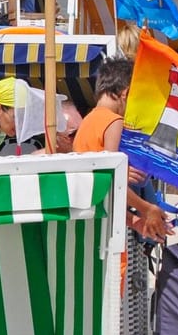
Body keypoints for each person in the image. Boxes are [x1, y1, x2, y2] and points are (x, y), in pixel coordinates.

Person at [73, 55, 172, 240]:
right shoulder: (114, 122)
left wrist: (135, 221)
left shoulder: (87, 121)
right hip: (106, 237)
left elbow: (101, 191)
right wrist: (147, 208)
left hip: (88, 226)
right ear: (126, 94)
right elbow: (112, 181)